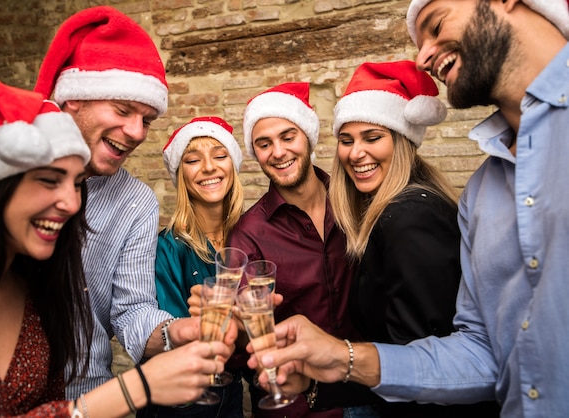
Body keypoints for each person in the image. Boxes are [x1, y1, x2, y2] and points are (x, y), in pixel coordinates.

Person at [247, 1, 569, 417]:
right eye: (346, 140)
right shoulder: (483, 191)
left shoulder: (408, 217)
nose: (423, 55)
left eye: (436, 24)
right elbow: (480, 355)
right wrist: (332, 362)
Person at [0, 51, 232, 417]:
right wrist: (133, 390)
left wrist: (177, 331)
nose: (138, 132)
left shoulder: (33, 303)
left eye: (78, 184)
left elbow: (132, 310)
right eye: (123, 110)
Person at [316, 60, 498, 416]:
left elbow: (422, 366)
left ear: (402, 141)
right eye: (346, 140)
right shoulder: (394, 206)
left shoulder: (408, 218)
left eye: (372, 137)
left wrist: (320, 384)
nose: (356, 153)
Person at [229, 82, 360, 418]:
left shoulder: (356, 201)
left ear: (308, 137)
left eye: (288, 137)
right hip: (300, 407)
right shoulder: (249, 234)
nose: (278, 152)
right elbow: (250, 335)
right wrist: (239, 324)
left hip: (370, 392)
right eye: (264, 144)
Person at [137, 116, 245, 417]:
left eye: (220, 155)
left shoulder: (249, 237)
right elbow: (170, 338)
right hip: (180, 402)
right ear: (180, 175)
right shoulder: (167, 248)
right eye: (193, 160)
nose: (209, 167)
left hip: (232, 394)